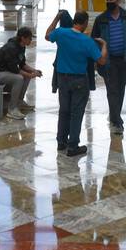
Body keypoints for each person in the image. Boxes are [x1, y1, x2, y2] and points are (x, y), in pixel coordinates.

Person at [46, 10, 106, 157]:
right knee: (76, 113)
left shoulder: (61, 33)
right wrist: (104, 45)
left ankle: (61, 142)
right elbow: (101, 61)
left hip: (62, 78)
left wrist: (57, 17)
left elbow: (47, 35)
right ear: (85, 23)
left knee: (64, 110)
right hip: (79, 80)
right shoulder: (87, 41)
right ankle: (73, 146)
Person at [90, 0, 126, 134]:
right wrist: (97, 58)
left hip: (124, 60)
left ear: (118, 1)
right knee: (112, 89)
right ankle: (116, 121)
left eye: (111, 0)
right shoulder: (101, 19)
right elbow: (94, 40)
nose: (109, 2)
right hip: (109, 61)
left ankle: (114, 114)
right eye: (107, 0)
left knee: (120, 88)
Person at [0, 27, 42, 117]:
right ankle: (12, 109)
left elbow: (22, 65)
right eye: (30, 38)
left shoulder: (21, 46)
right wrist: (30, 75)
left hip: (5, 71)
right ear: (23, 38)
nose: (31, 41)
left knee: (25, 76)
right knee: (19, 79)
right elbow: (14, 69)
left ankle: (19, 102)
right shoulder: (11, 48)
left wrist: (34, 71)